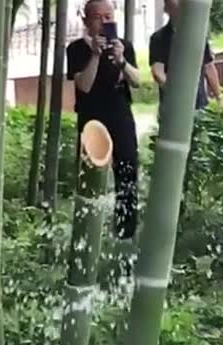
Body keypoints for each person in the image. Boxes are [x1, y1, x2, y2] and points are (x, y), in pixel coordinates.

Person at [66, 0, 140, 242]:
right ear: (86, 21)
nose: (105, 22)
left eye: (109, 16)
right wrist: (96, 56)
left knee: (127, 171)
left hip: (120, 114)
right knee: (89, 178)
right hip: (91, 118)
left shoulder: (123, 46)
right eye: (99, 17)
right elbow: (83, 85)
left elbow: (137, 81)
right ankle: (87, 236)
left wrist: (121, 61)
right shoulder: (76, 49)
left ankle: (125, 234)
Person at [148, 0, 222, 112]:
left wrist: (219, 97)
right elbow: (158, 72)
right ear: (166, 10)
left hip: (200, 103)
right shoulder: (159, 38)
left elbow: (209, 67)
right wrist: (177, 94)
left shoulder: (198, 34)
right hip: (173, 107)